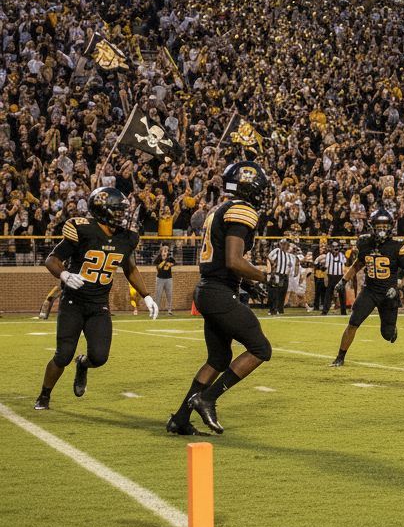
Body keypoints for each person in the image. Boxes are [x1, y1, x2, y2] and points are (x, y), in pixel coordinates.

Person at [168, 161, 272, 436]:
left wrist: (250, 283)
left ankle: (179, 419)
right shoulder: (241, 209)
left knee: (219, 358)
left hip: (208, 289)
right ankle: (208, 399)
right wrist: (265, 277)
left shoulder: (218, 209)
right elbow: (234, 260)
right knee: (261, 349)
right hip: (218, 292)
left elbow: (227, 263)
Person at [34, 187, 158, 412]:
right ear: (102, 210)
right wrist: (64, 274)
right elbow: (52, 259)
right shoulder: (83, 230)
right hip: (73, 302)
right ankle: (44, 394)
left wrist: (146, 295)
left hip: (99, 305)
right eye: (118, 210)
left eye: (123, 211)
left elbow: (129, 267)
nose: (123, 215)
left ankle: (82, 364)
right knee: (62, 356)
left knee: (99, 357)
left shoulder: (126, 238)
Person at [328, 208, 404, 366]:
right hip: (370, 290)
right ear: (372, 227)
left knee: (387, 335)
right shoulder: (365, 242)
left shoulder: (397, 245)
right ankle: (340, 357)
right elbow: (359, 263)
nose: (382, 229)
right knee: (353, 323)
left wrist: (399, 285)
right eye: (378, 226)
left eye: (385, 226)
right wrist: (343, 281)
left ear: (391, 227)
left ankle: (392, 329)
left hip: (389, 293)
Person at [322, 240, 348, 315]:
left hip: (339, 276)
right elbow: (326, 267)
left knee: (342, 294)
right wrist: (326, 277)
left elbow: (343, 267)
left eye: (336, 249)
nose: (335, 251)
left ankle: (343, 311)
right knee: (329, 294)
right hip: (331, 276)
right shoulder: (328, 256)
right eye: (334, 249)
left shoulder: (342, 256)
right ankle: (325, 311)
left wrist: (344, 278)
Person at [154, 243, 175, 316]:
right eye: (164, 249)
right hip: (160, 278)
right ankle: (156, 310)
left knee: (169, 295)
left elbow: (174, 262)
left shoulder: (170, 258)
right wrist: (162, 258)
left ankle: (169, 310)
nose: (165, 250)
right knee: (158, 295)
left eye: (166, 249)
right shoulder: (158, 258)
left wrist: (166, 258)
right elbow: (156, 265)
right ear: (161, 250)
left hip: (168, 278)